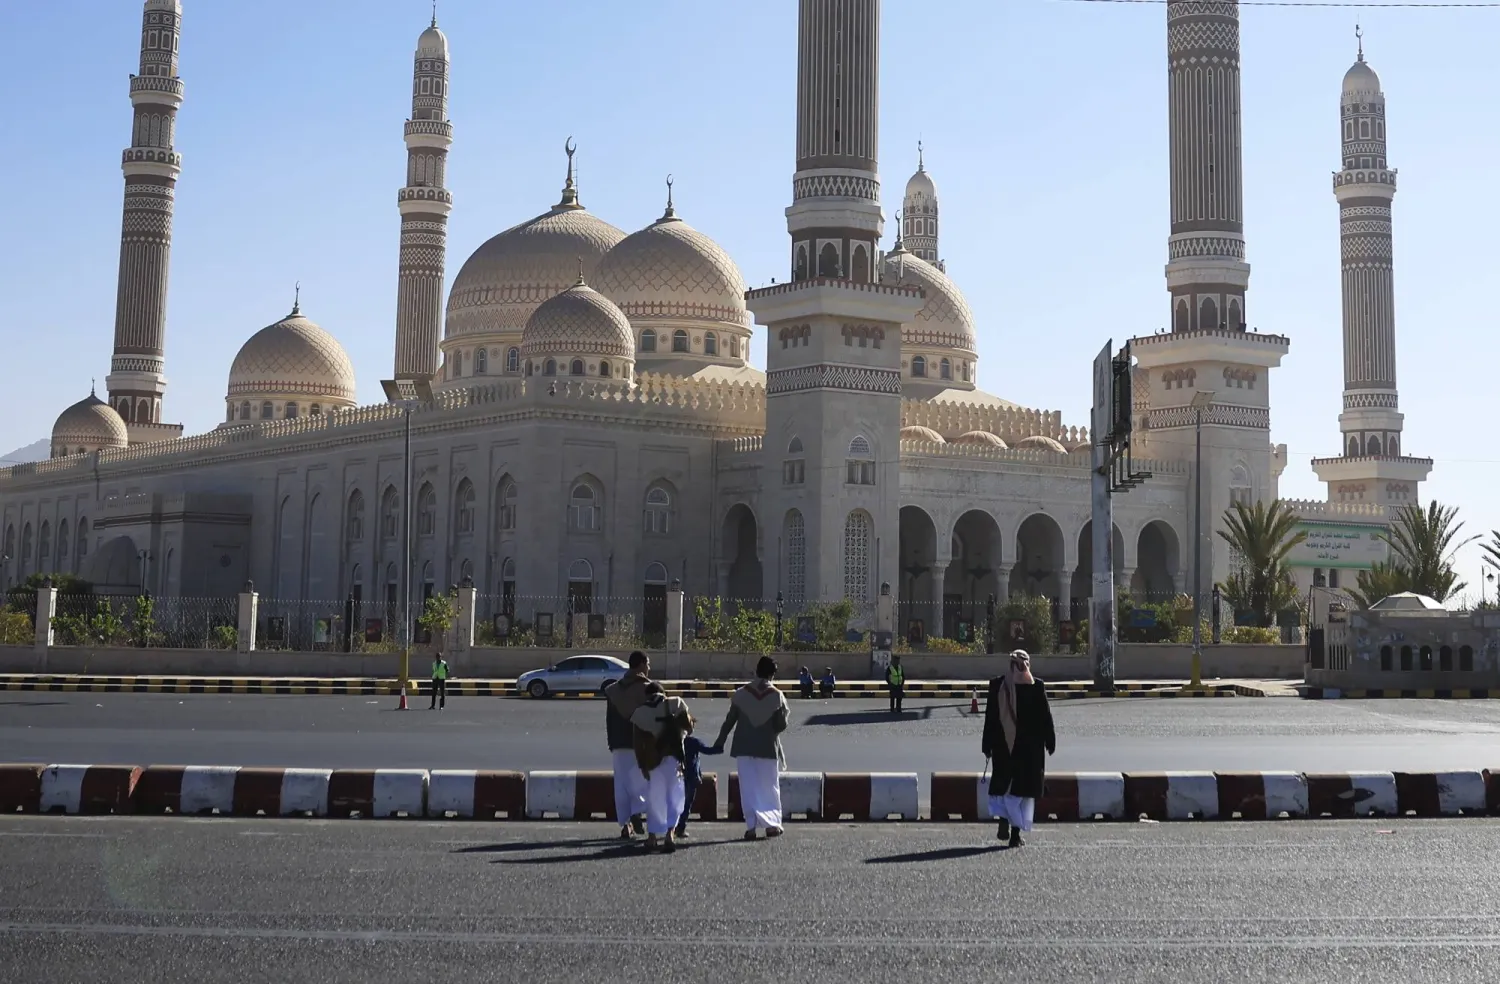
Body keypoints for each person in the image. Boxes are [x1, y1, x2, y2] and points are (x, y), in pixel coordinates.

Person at [981, 649, 1056, 848]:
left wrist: (987, 745)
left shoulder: (998, 685)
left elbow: (991, 718)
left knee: (1005, 787)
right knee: (1022, 794)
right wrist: (1050, 741)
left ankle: (1004, 820)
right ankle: (1015, 834)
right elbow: (1045, 717)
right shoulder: (1036, 686)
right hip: (1029, 750)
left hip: (1003, 746)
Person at [717, 656, 790, 841]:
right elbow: (780, 726)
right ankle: (772, 825)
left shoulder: (741, 693)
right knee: (769, 787)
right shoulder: (776, 695)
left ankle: (751, 827)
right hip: (767, 748)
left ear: (756, 671)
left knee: (748, 787)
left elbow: (729, 721)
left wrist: (720, 741)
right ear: (772, 674)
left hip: (744, 748)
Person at [630, 683, 694, 853]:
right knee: (675, 797)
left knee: (655, 798)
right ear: (662, 693)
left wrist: (642, 764)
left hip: (653, 761)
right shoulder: (676, 703)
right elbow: (689, 728)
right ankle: (669, 835)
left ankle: (652, 837)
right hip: (674, 759)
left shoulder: (639, 713)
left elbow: (637, 743)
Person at [604, 651, 652, 838]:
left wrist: (612, 742)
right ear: (640, 665)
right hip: (642, 743)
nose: (649, 668)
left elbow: (609, 720)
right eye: (647, 664)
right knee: (642, 781)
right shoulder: (649, 689)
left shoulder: (613, 690)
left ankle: (625, 825)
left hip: (619, 743)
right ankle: (637, 811)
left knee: (621, 784)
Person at [675, 731, 722, 840]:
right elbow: (707, 750)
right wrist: (719, 748)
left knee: (677, 802)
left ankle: (673, 827)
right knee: (687, 804)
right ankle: (680, 828)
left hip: (678, 775)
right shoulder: (693, 741)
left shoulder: (674, 741)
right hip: (691, 776)